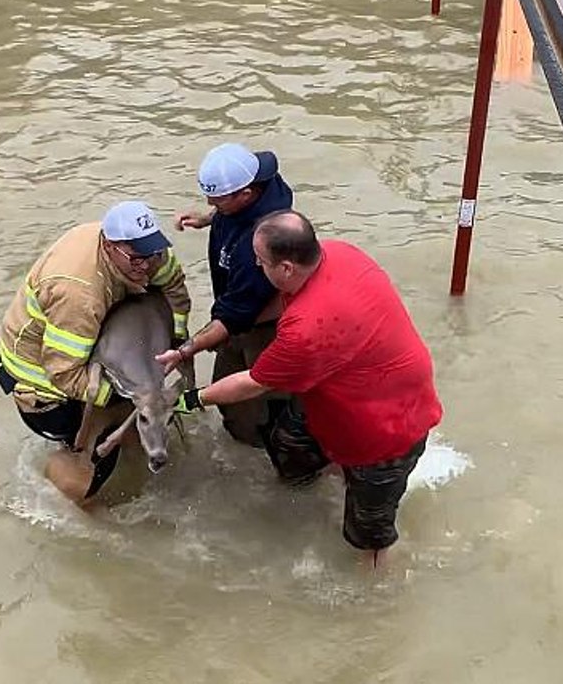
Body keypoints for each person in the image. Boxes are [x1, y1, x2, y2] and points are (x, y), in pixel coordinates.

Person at [177, 211, 443, 566]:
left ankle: (377, 598)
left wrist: (190, 399)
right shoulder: (338, 252)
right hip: (344, 394)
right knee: (289, 444)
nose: (255, 266)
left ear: (286, 268)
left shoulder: (307, 329)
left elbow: (253, 383)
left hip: (385, 431)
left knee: (369, 535)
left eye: (260, 261)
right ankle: (320, 488)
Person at [0, 200, 191, 500]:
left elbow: (174, 286)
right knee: (90, 472)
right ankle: (70, 482)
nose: (146, 265)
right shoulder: (79, 295)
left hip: (90, 348)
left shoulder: (149, 253)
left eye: (152, 255)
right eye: (136, 259)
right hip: (46, 388)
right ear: (110, 247)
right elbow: (63, 373)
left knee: (143, 424)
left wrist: (176, 344)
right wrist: (126, 395)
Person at [156, 142, 295, 447]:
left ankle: (268, 454)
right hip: (239, 316)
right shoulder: (260, 175)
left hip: (262, 328)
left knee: (256, 409)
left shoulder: (258, 247)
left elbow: (234, 316)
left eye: (217, 201)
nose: (210, 202)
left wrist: (183, 352)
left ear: (245, 195)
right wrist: (210, 218)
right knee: (226, 393)